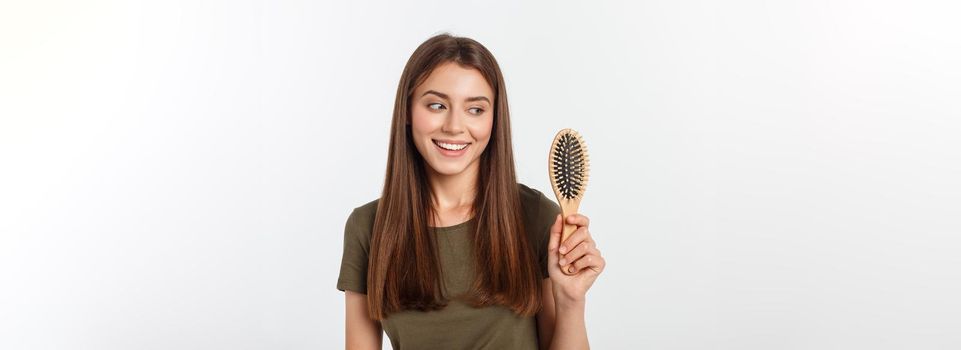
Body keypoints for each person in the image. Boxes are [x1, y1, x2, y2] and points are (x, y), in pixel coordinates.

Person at [337, 33, 606, 349]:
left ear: (494, 119)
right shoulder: (367, 227)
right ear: (408, 112)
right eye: (437, 105)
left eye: (475, 109)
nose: (454, 126)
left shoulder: (535, 217)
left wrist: (571, 301)